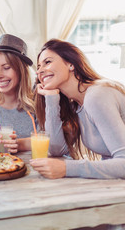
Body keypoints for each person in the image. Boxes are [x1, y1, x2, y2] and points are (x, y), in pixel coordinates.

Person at [30, 39, 125, 179]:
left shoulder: (97, 96)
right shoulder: (75, 103)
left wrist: (67, 168)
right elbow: (56, 149)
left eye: (48, 62)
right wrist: (51, 98)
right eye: (38, 66)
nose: (39, 71)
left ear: (70, 64)